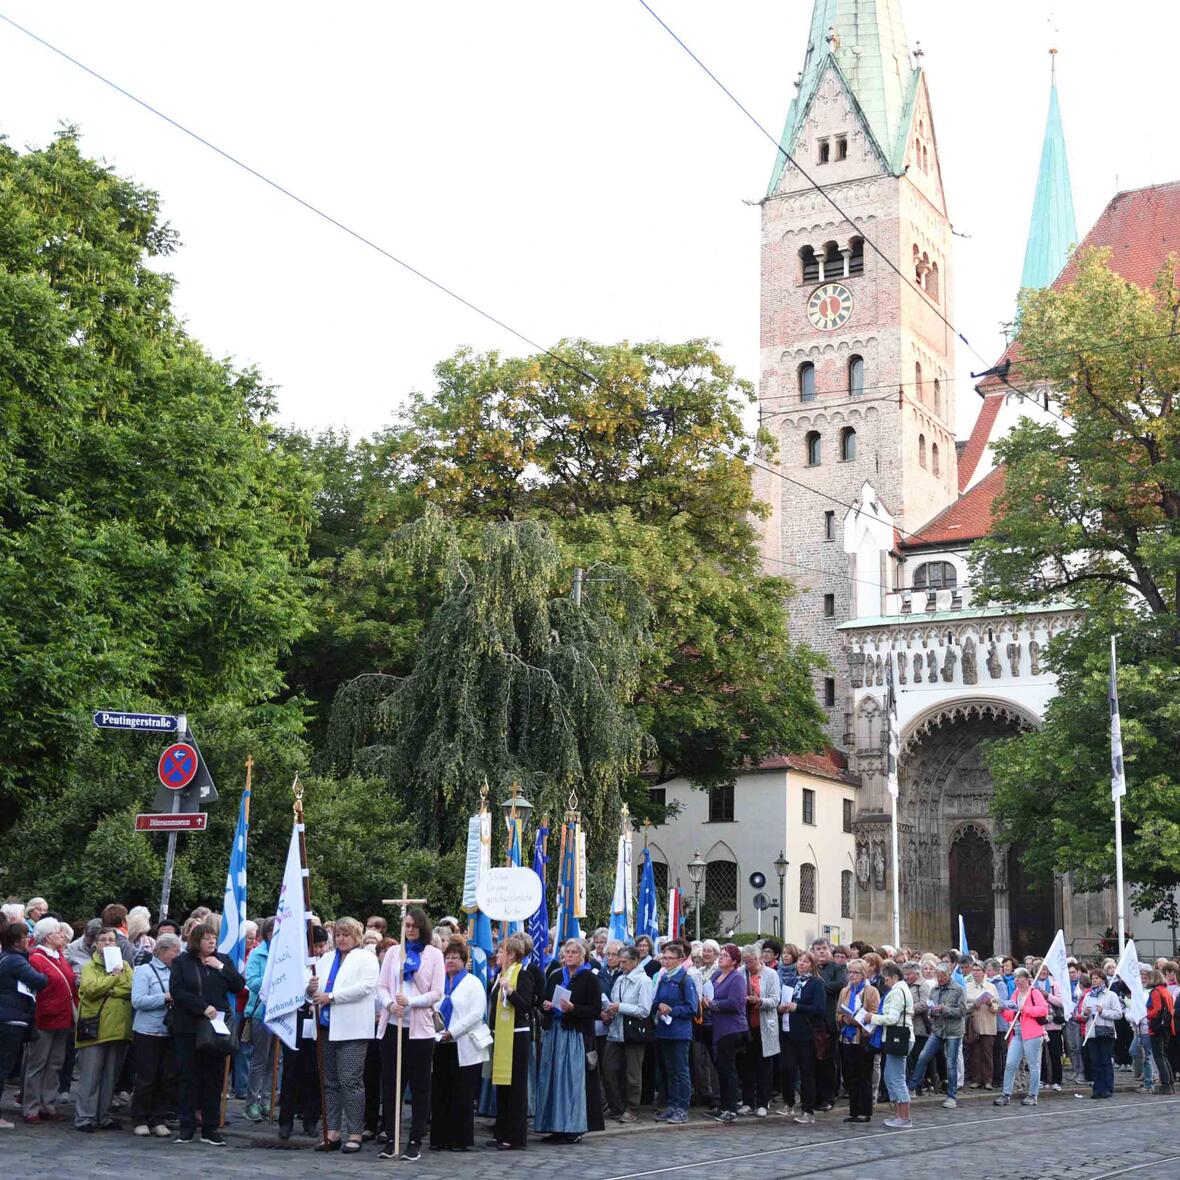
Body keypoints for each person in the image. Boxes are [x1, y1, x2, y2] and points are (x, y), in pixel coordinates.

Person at [169, 920, 246, 1145]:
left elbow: (239, 985)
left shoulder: (223, 960)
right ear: (196, 940)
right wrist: (201, 1007)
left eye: (214, 937)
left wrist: (221, 968)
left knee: (212, 1077)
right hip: (189, 1026)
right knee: (188, 1076)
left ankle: (210, 1128)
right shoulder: (182, 962)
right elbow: (178, 990)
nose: (211, 941)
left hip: (215, 1029)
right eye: (206, 938)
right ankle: (186, 1126)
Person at [376, 906, 444, 1162]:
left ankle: (415, 1140)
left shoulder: (434, 955)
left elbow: (437, 992)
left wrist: (412, 1002)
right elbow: (382, 987)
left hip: (420, 1031)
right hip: (394, 1025)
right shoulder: (394, 952)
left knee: (419, 1085)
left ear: (422, 927)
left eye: (415, 925)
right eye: (407, 925)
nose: (410, 929)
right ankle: (391, 1137)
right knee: (392, 1084)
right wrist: (391, 1004)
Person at [308, 915, 379, 1154]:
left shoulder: (366, 958)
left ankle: (355, 1132)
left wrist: (333, 997)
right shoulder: (326, 958)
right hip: (326, 1027)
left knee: (350, 1080)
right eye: (337, 934)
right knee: (329, 1082)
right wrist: (312, 990)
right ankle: (332, 1131)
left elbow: (366, 987)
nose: (340, 938)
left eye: (345, 934)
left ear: (356, 936)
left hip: (352, 1029)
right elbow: (316, 988)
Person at [535, 937, 605, 1144]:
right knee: (552, 1079)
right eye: (567, 952)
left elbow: (595, 1010)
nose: (569, 956)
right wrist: (545, 1006)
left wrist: (574, 1009)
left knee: (570, 1081)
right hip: (554, 1032)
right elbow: (543, 1001)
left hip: (574, 1034)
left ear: (582, 955)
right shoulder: (556, 975)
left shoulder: (589, 978)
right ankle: (553, 1125)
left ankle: (573, 1127)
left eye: (574, 952)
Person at [429, 937, 489, 1152]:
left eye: (455, 957)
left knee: (461, 1093)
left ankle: (460, 1139)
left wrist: (453, 1031)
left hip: (463, 1043)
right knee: (440, 1091)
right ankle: (440, 1137)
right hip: (440, 1043)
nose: (451, 961)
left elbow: (475, 1014)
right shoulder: (438, 982)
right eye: (448, 957)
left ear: (464, 961)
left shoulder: (472, 983)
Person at [74, 926, 134, 1132]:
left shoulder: (125, 965)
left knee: (110, 1077)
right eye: (104, 940)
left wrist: (110, 989)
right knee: (90, 1077)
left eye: (111, 940)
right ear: (96, 944)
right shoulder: (90, 966)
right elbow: (90, 989)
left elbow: (132, 988)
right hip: (95, 1028)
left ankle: (104, 1115)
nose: (109, 944)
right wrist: (114, 978)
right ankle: (85, 1117)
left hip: (119, 1028)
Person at [24, 917, 77, 1123]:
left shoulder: (59, 956)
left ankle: (48, 1102)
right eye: (58, 932)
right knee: (37, 1063)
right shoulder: (37, 959)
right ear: (47, 937)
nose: (62, 936)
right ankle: (31, 1106)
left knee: (55, 1063)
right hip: (44, 1017)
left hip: (62, 1017)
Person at [279, 924, 328, 1140]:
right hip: (296, 1020)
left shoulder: (325, 963)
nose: (319, 950)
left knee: (315, 1071)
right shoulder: (293, 964)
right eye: (316, 945)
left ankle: (311, 1118)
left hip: (317, 1021)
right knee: (291, 1071)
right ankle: (286, 1119)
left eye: (322, 945)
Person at [129, 931, 180, 1137]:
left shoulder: (177, 971)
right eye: (174, 951)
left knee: (167, 1077)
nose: (177, 955)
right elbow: (138, 1001)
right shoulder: (144, 971)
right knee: (146, 1077)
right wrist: (165, 997)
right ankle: (140, 1117)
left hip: (170, 1031)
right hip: (148, 1031)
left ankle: (159, 1117)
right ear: (161, 951)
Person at [0, 920, 48, 1130]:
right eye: (25, 936)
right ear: (18, 941)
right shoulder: (16, 961)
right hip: (11, 1018)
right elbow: (39, 980)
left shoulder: (4, 958)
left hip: (7, 1015)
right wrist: (43, 974)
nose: (28, 939)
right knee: (3, 1068)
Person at [489, 932, 534, 1150]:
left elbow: (526, 1006)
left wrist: (510, 991)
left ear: (512, 954)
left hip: (517, 1034)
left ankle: (516, 1135)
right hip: (501, 1034)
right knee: (502, 1085)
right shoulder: (500, 974)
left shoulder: (521, 975)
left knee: (515, 1086)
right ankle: (502, 1131)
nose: (497, 954)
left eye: (501, 951)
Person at [603, 945, 654, 1123]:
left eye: (625, 962)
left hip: (633, 1032)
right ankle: (616, 1105)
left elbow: (644, 1010)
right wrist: (609, 1010)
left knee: (633, 1073)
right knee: (608, 1069)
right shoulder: (620, 979)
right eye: (620, 961)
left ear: (635, 961)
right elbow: (614, 1000)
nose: (621, 965)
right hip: (616, 1030)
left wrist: (621, 1007)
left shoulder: (644, 981)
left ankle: (632, 1108)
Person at [651, 940, 698, 1125]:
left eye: (670, 958)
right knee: (669, 1071)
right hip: (664, 1030)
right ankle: (671, 1105)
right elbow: (655, 1000)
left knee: (681, 1071)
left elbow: (692, 1008)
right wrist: (659, 1005)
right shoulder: (663, 978)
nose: (666, 961)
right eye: (664, 958)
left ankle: (682, 1108)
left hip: (679, 1032)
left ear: (680, 959)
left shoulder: (686, 980)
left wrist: (672, 1010)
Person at [906, 961, 964, 1109]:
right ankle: (911, 1087)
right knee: (923, 1056)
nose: (940, 979)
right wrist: (933, 1011)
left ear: (948, 974)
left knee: (951, 1063)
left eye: (942, 976)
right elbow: (930, 1008)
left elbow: (963, 1012)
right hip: (937, 1029)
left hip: (953, 1031)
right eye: (938, 976)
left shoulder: (958, 989)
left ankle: (951, 1096)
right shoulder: (935, 990)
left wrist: (945, 1009)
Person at [778, 948, 824, 1124]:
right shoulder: (790, 981)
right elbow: (782, 1003)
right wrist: (781, 1008)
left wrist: (798, 1007)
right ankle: (788, 1102)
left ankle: (808, 1110)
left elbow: (819, 1009)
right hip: (788, 1030)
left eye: (805, 962)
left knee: (806, 1072)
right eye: (800, 961)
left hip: (806, 1033)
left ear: (812, 965)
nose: (801, 964)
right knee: (787, 1068)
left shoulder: (816, 984)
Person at [994, 966, 1050, 1106]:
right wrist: (1002, 1010)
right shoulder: (1015, 993)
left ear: (1027, 979)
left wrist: (1026, 1010)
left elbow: (1043, 1010)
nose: (1017, 980)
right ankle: (1006, 1094)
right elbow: (1011, 1015)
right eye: (1015, 977)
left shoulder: (1034, 993)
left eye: (1019, 977)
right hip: (1017, 1033)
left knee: (1033, 1065)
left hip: (1032, 1033)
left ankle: (1033, 1094)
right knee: (1010, 1063)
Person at [704, 943, 746, 1123]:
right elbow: (709, 993)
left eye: (725, 955)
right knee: (720, 1068)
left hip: (732, 1029)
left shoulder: (736, 978)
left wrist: (713, 1004)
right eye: (720, 954)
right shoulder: (715, 975)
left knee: (728, 1069)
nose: (721, 957)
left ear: (734, 961)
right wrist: (705, 1000)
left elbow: (734, 1003)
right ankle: (722, 1105)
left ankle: (731, 1107)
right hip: (717, 1028)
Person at [869, 961, 913, 1129]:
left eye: (886, 980)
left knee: (896, 1078)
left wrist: (871, 1018)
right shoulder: (901, 989)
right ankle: (899, 1114)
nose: (884, 983)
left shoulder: (897, 992)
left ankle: (904, 1116)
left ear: (894, 977)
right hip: (897, 1037)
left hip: (898, 1038)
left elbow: (892, 1018)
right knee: (890, 1076)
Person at [836, 958, 881, 1123]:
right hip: (847, 1038)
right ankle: (853, 1110)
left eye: (855, 973)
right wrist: (843, 1017)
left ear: (863, 975)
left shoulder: (871, 991)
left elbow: (875, 1014)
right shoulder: (845, 991)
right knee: (850, 1075)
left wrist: (857, 1020)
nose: (851, 975)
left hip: (862, 1039)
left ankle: (865, 1110)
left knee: (864, 1075)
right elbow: (838, 1011)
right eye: (850, 972)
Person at [739, 943, 780, 1117]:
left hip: (764, 1025)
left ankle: (763, 1102)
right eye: (746, 962)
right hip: (745, 1026)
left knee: (764, 1066)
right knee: (745, 1066)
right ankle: (748, 1101)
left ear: (759, 959)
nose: (749, 965)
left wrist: (760, 1001)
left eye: (751, 961)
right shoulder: (741, 973)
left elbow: (775, 1000)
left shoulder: (770, 974)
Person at [243, 915, 277, 1122]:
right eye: (273, 931)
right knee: (259, 1059)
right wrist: (273, 976)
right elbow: (252, 982)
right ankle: (251, 1102)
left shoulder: (287, 955)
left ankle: (267, 1099)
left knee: (275, 1061)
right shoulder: (258, 954)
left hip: (281, 1013)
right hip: (260, 1012)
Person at [1077, 965, 1122, 1099]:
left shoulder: (1110, 995)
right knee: (1095, 1061)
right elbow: (1082, 1013)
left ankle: (1108, 1088)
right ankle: (1097, 1088)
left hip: (1106, 1032)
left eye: (1097, 978)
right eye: (1093, 978)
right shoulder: (1088, 996)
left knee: (1105, 1061)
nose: (1095, 980)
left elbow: (1119, 1014)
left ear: (1103, 980)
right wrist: (1085, 1013)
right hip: (1092, 1032)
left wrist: (1104, 1012)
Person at [812, 939, 845, 1110]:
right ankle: (815, 1096)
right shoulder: (810, 967)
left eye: (824, 948)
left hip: (829, 1022)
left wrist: (817, 987)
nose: (821, 952)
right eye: (818, 949)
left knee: (829, 1062)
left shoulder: (837, 968)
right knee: (813, 1062)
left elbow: (840, 984)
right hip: (811, 1022)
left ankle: (829, 1097)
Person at [964, 960, 999, 1089]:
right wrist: (973, 1005)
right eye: (974, 970)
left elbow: (998, 1007)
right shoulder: (967, 987)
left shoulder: (991, 987)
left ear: (984, 972)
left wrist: (990, 1004)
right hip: (974, 1024)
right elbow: (964, 1006)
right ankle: (976, 1079)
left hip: (988, 1024)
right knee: (975, 1053)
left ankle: (988, 1080)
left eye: (978, 970)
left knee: (987, 1053)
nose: (976, 973)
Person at [1145, 968, 1175, 1094]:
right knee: (1163, 1055)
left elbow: (1156, 1010)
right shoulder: (1166, 991)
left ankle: (1165, 1083)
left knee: (1158, 1056)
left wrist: (1147, 1015)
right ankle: (1169, 1082)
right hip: (1167, 1027)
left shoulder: (1155, 992)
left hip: (1157, 1027)